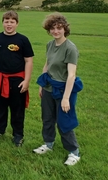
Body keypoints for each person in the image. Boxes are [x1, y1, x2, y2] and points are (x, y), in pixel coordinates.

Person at [33, 13, 83, 166]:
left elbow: (71, 75)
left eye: (59, 28)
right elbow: (47, 65)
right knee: (47, 118)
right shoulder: (50, 44)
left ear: (64, 29)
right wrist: (42, 85)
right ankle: (48, 144)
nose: (56, 31)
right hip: (49, 87)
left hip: (63, 90)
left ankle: (74, 152)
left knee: (64, 121)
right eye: (53, 28)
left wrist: (66, 98)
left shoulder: (70, 48)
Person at [0, 11, 34, 146]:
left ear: (17, 23)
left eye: (12, 22)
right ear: (3, 23)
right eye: (6, 21)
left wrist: (27, 80)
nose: (9, 24)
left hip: (17, 80)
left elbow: (28, 61)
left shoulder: (23, 40)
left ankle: (18, 135)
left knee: (17, 109)